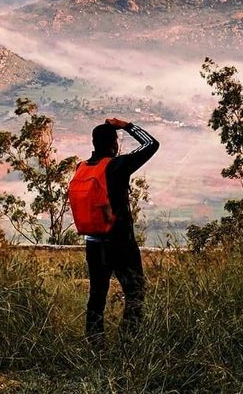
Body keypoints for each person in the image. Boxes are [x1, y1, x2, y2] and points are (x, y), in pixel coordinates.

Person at [81, 117, 159, 348]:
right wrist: (127, 126)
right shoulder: (117, 165)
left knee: (97, 293)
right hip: (120, 243)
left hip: (93, 241)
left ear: (94, 144)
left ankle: (95, 345)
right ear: (114, 144)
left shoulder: (82, 167)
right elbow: (151, 144)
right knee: (135, 292)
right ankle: (129, 343)